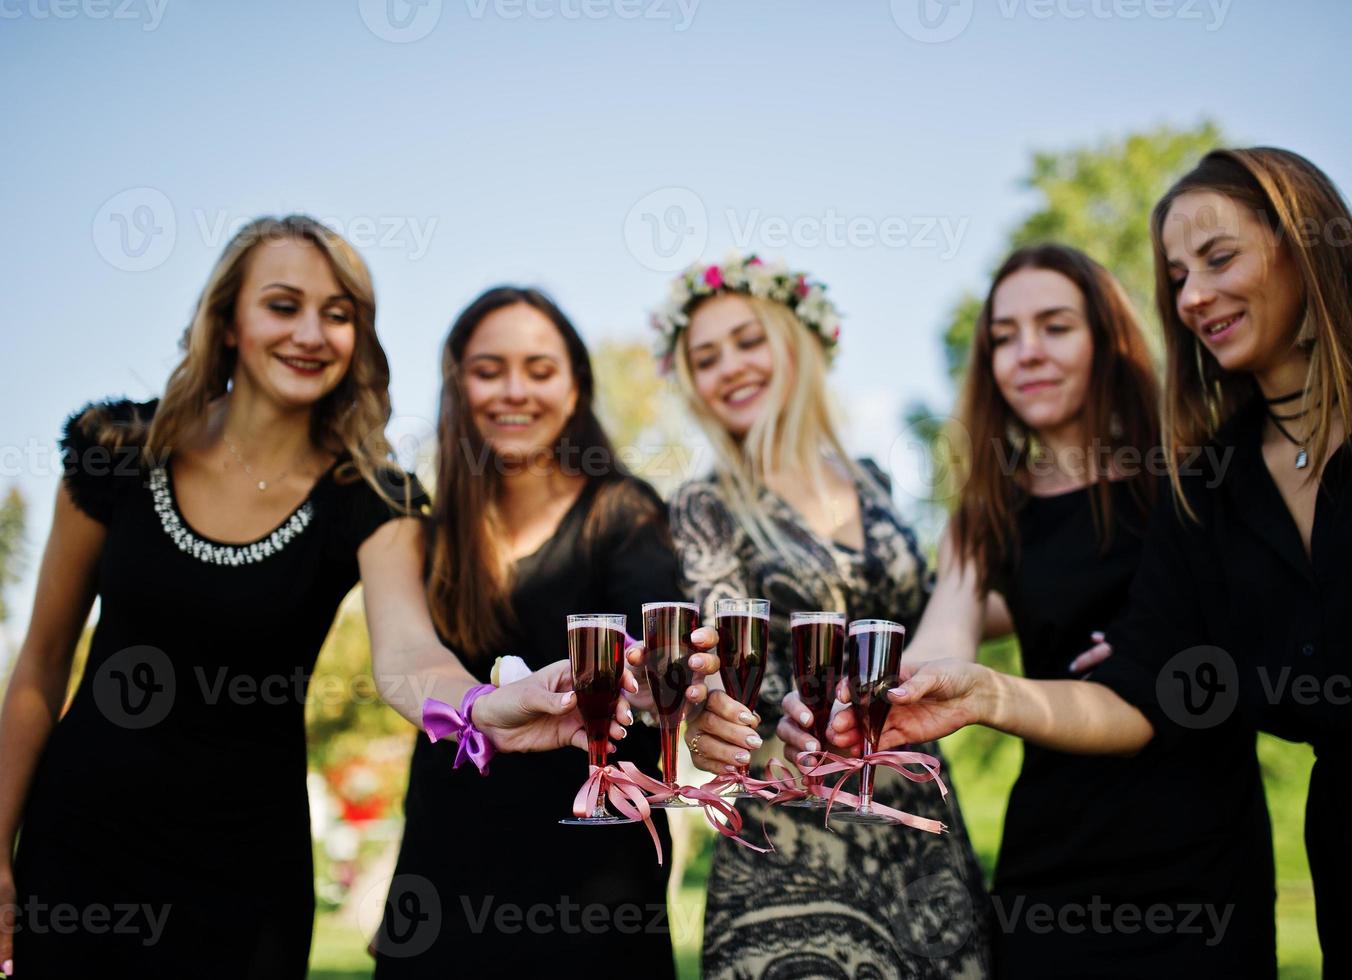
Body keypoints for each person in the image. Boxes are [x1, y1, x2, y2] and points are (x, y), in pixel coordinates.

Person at [825, 148, 1352, 979]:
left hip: (1220, 847)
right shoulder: (1212, 482)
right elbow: (1114, 687)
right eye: (1177, 276)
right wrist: (931, 697)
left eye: (1219, 258)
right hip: (1325, 847)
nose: (1194, 294)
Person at [0, 219, 609, 979]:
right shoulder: (118, 448)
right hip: (83, 849)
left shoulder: (372, 497)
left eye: (338, 313)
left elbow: (408, 655)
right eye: (283, 305)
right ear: (228, 323)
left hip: (247, 872)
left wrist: (486, 705)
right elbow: (39, 667)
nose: (311, 334)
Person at [782, 243, 1276, 978]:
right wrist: (849, 702)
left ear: (1108, 340)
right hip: (1054, 851)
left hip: (1196, 848)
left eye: (1054, 326)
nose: (1027, 354)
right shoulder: (987, 515)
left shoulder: (1191, 477)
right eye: (1004, 338)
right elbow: (943, 648)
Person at [657, 253, 992, 978]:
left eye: (748, 341)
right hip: (794, 832)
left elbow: (941, 609)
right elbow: (719, 663)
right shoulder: (704, 505)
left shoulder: (868, 477)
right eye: (704, 358)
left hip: (917, 827)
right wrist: (727, 723)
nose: (729, 368)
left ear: (797, 344)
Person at [373, 286, 693, 976]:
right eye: (488, 370)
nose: (514, 391)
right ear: (457, 384)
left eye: (540, 370)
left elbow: (650, 650)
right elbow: (410, 674)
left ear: (576, 387)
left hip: (594, 873)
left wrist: (662, 682)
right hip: (445, 865)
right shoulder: (425, 533)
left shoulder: (621, 512)